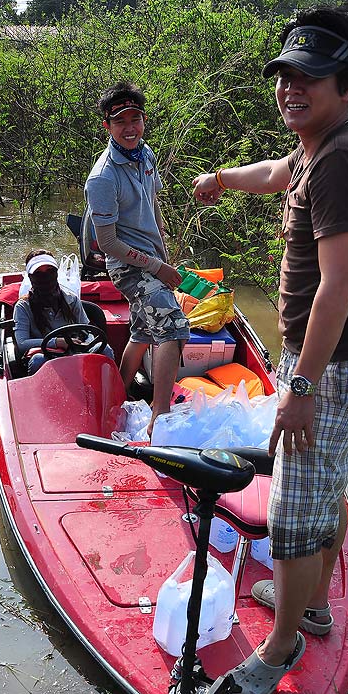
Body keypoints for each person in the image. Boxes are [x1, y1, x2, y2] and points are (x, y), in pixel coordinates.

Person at [193, 8, 348, 694]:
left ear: (345, 84)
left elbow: (340, 283)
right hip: (336, 364)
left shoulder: (342, 162)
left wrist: (300, 386)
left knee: (291, 510)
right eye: (284, 77)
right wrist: (221, 178)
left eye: (308, 78)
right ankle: (307, 603)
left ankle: (279, 650)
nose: (290, 89)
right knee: (322, 489)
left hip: (329, 370)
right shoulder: (321, 148)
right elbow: (276, 173)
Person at [84, 81, 190, 437]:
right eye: (121, 122)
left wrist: (163, 250)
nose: (130, 128)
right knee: (173, 327)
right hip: (127, 266)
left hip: (153, 258)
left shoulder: (145, 154)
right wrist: (156, 266)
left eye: (136, 119)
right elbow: (107, 243)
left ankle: (117, 395)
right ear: (108, 127)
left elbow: (153, 204)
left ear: (144, 121)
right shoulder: (102, 177)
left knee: (144, 330)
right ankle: (159, 420)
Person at [14, 250, 114, 375]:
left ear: (56, 273)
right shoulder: (23, 306)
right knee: (37, 361)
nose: (45, 277)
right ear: (30, 277)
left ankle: (107, 392)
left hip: (76, 351)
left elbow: (87, 330)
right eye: (39, 273)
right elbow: (22, 343)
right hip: (47, 355)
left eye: (50, 271)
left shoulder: (71, 299)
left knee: (105, 349)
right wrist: (56, 342)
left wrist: (83, 342)